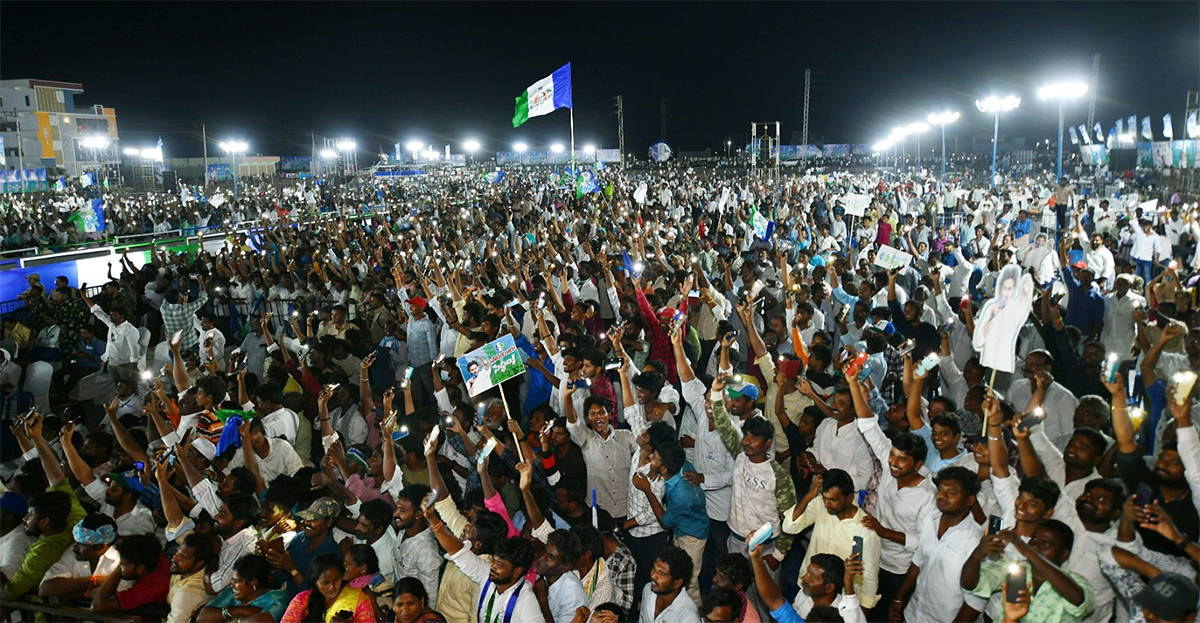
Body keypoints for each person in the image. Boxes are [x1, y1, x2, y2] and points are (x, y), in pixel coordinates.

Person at [972, 264, 1035, 372]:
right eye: (1004, 287)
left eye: (1011, 288)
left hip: (1004, 362)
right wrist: (991, 318)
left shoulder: (1016, 308)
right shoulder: (990, 307)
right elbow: (979, 340)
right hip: (988, 359)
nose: (1007, 292)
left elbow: (1024, 305)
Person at [194, 554, 291, 623]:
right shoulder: (233, 592)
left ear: (254, 583)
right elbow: (202, 617)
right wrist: (240, 610)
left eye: (237, 581)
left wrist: (235, 619)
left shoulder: (277, 597)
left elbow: (261, 621)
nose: (232, 585)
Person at [281, 554, 376, 623]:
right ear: (315, 582)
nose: (332, 587)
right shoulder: (302, 600)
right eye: (325, 583)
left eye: (336, 580)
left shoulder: (359, 599)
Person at [90, 533, 171, 614]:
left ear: (140, 569)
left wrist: (118, 570)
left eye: (123, 564)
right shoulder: (154, 557)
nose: (119, 566)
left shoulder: (149, 590)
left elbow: (97, 606)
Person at [638, 545, 699, 623]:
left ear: (677, 583)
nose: (653, 576)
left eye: (661, 574)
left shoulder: (688, 617)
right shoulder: (647, 589)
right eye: (654, 568)